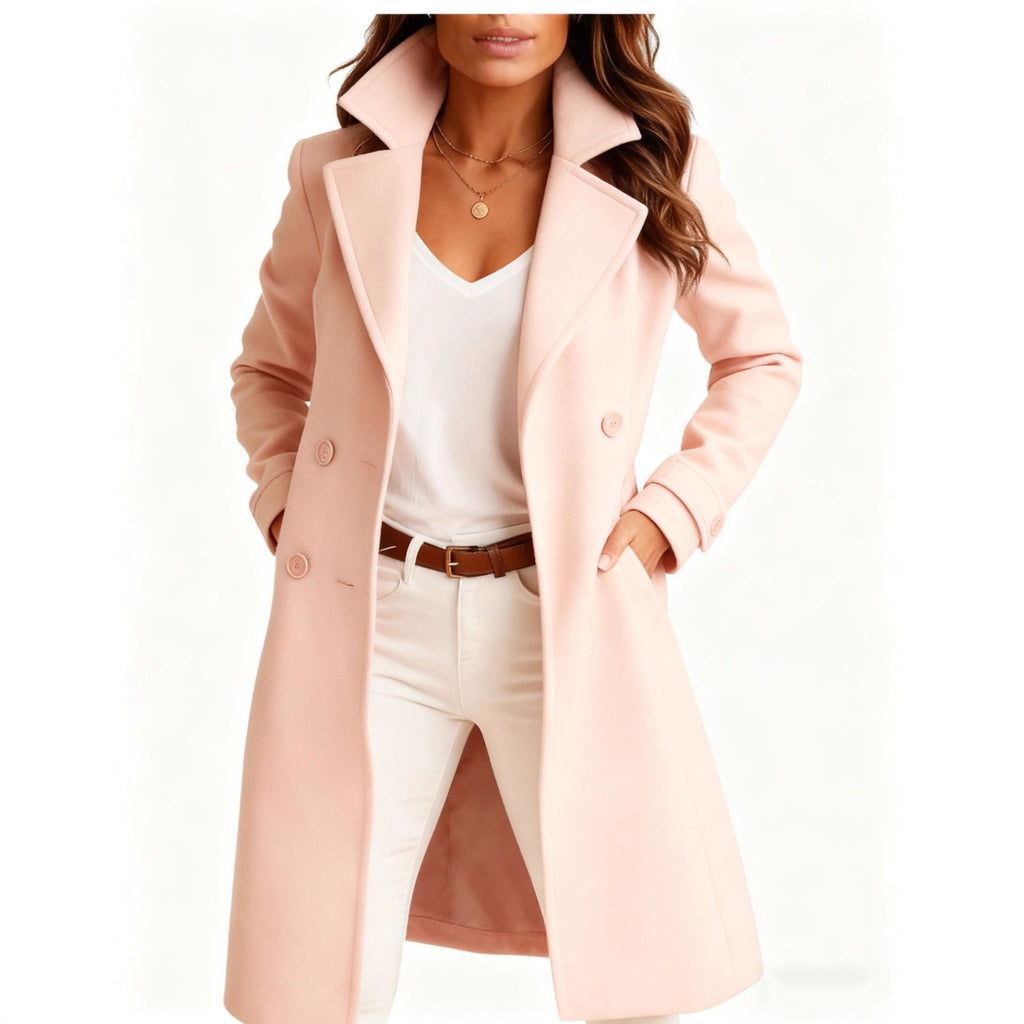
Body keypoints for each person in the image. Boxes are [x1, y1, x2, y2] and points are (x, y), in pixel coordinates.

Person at [225, 13, 803, 1024]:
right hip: (372, 620)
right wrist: (288, 507)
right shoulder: (334, 172)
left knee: (629, 971)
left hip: (562, 614)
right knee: (316, 983)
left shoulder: (653, 171)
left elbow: (761, 358)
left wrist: (670, 511)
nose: (503, 13)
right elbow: (269, 373)